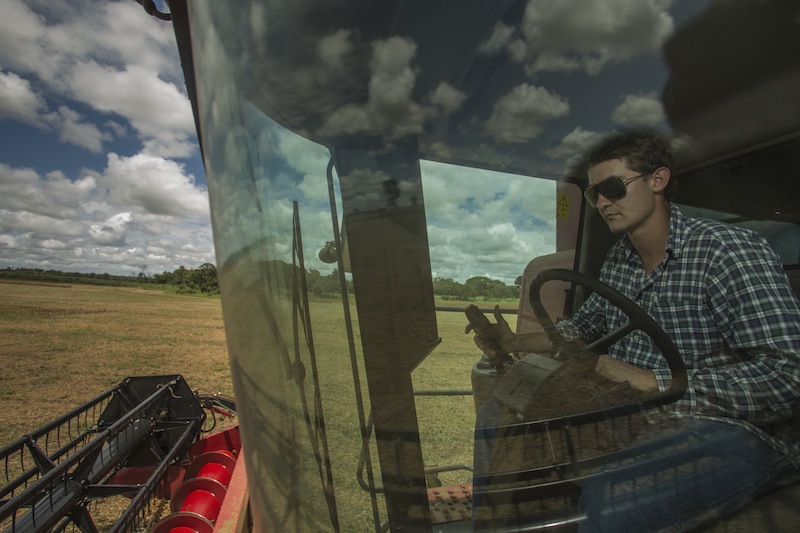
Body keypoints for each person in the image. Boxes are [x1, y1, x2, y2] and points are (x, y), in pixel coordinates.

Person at [469, 130, 800, 531]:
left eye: (612, 187)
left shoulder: (728, 251)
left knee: (617, 493)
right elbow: (581, 330)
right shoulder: (620, 258)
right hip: (636, 410)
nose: (603, 202)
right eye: (594, 195)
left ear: (657, 180)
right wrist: (515, 341)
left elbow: (788, 377)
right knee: (499, 420)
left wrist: (654, 380)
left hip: (734, 426)